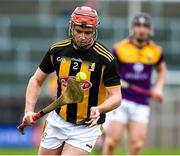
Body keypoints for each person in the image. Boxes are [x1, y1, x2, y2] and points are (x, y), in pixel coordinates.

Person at [22, 6, 121, 155]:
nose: (82, 36)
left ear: (95, 31)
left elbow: (116, 97)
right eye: (78, 31)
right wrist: (28, 111)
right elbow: (36, 81)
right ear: (71, 27)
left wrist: (99, 109)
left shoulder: (105, 59)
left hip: (85, 127)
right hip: (58, 121)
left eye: (87, 32)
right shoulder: (57, 51)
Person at [103, 13, 166, 155]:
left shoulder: (156, 51)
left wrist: (158, 87)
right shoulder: (119, 48)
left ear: (150, 30)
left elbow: (162, 70)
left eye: (145, 26)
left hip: (141, 103)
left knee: (137, 145)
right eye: (138, 25)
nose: (141, 29)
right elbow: (110, 72)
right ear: (133, 28)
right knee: (111, 142)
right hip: (121, 100)